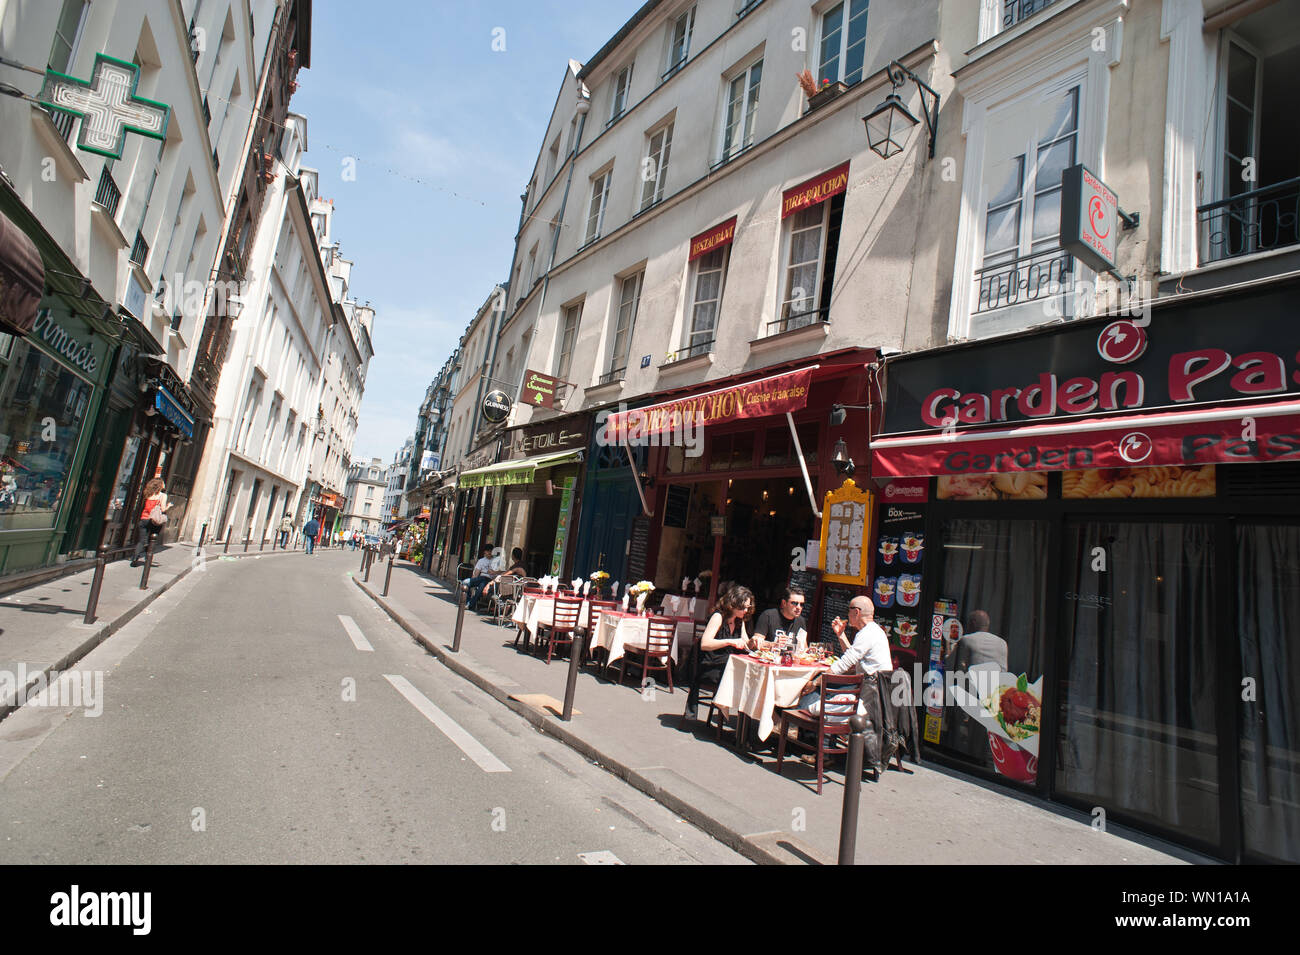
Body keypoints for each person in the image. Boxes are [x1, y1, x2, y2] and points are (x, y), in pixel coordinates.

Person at [793, 597, 894, 768]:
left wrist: (816, 682)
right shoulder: (874, 631)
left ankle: (822, 749)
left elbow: (845, 663)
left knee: (821, 695)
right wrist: (840, 635)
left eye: (849, 610)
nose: (847, 614)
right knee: (830, 689)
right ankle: (820, 743)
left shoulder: (867, 633)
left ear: (856, 612)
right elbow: (854, 658)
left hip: (869, 693)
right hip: (874, 691)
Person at [693, 586, 756, 697]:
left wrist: (757, 642)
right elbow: (705, 644)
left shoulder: (739, 620)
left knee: (751, 678)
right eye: (743, 607)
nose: (746, 611)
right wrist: (730, 642)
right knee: (738, 678)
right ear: (733, 604)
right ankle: (725, 710)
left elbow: (746, 643)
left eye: (748, 607)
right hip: (711, 666)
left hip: (726, 665)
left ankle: (730, 711)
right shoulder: (718, 617)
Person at [130, 478, 168, 566]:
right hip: (154, 520)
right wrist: (168, 506)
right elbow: (162, 509)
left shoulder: (148, 494)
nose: (164, 485)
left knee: (142, 540)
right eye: (163, 483)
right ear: (160, 485)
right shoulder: (162, 496)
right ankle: (148, 558)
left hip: (144, 519)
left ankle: (135, 558)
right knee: (152, 539)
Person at [462, 543, 496, 610]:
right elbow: (476, 573)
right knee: (465, 582)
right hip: (481, 578)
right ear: (484, 552)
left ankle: (469, 604)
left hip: (490, 580)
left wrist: (494, 573)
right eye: (487, 551)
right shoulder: (481, 561)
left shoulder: (496, 561)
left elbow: (501, 573)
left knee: (481, 587)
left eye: (491, 551)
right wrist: (473, 580)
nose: (489, 552)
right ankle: (469, 602)